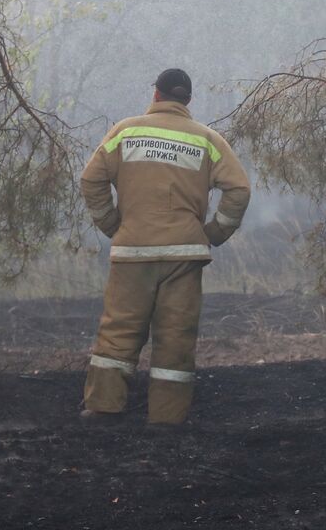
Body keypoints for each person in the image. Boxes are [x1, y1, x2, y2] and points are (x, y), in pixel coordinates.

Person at [79, 68, 252, 426]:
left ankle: (103, 408)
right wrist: (215, 232)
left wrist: (113, 225)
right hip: (184, 256)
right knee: (175, 337)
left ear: (156, 94)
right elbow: (239, 189)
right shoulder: (208, 140)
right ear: (187, 100)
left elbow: (90, 178)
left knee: (119, 330)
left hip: (132, 253)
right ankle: (167, 419)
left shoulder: (125, 132)